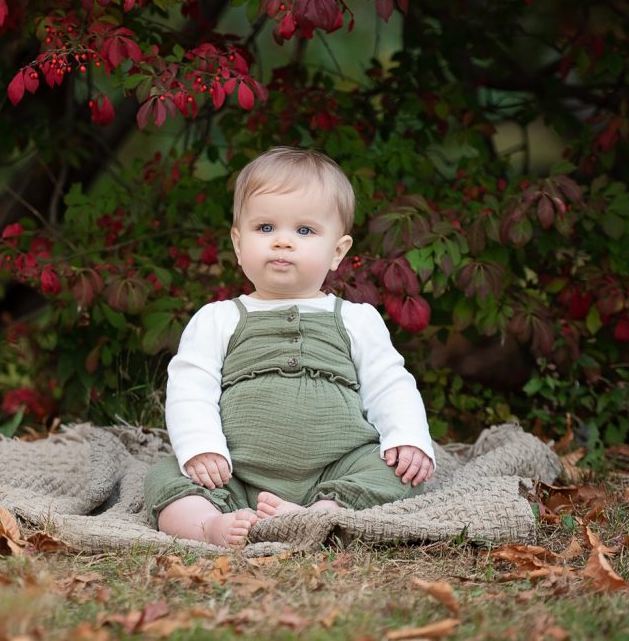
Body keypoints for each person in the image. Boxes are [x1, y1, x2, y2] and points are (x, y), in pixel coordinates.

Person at [144, 146, 435, 547]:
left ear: (337, 251)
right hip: (238, 474)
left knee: (403, 472)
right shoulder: (218, 318)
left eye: (304, 231)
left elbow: (390, 384)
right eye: (265, 228)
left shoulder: (356, 319)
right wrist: (201, 448)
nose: (282, 242)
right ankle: (208, 525)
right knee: (165, 476)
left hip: (338, 467)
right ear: (237, 242)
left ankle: (323, 513)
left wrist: (407, 438)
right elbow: (190, 387)